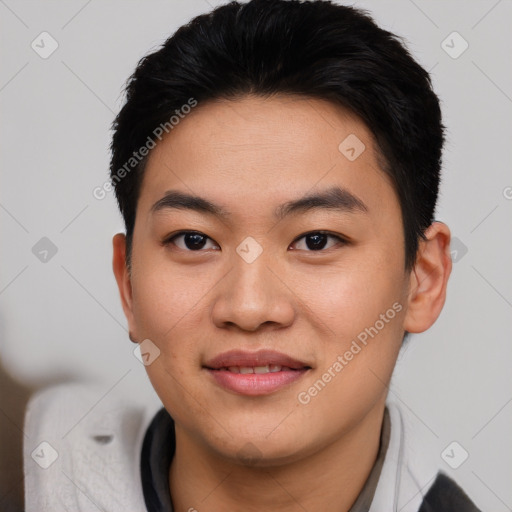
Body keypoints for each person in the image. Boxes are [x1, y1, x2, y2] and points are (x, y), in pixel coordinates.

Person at [23, 0, 482, 510]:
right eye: (194, 240)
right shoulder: (32, 480)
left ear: (423, 278)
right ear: (127, 283)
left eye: (316, 240)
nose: (249, 308)